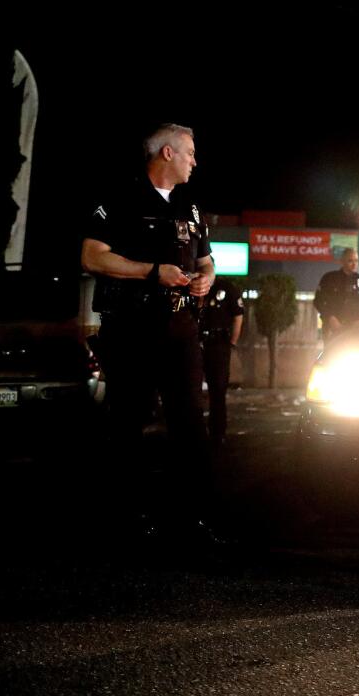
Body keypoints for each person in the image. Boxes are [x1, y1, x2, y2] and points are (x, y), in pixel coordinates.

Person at [81, 122, 224, 546]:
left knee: (190, 425)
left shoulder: (190, 206)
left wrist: (206, 279)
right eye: (190, 153)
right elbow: (91, 257)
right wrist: (151, 274)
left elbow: (208, 261)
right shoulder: (119, 198)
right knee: (128, 421)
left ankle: (192, 520)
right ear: (167, 153)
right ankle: (125, 519)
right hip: (131, 328)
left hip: (180, 328)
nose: (195, 162)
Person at [200, 276, 245, 448]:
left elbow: (238, 316)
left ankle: (217, 433)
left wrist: (232, 343)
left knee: (218, 391)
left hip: (218, 343)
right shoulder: (190, 283)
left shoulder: (226, 287)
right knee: (189, 392)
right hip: (194, 341)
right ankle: (192, 433)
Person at [314, 247, 359, 342]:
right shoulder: (329, 278)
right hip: (334, 329)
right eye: (350, 261)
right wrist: (330, 317)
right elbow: (319, 301)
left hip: (358, 331)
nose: (354, 264)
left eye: (356, 261)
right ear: (342, 261)